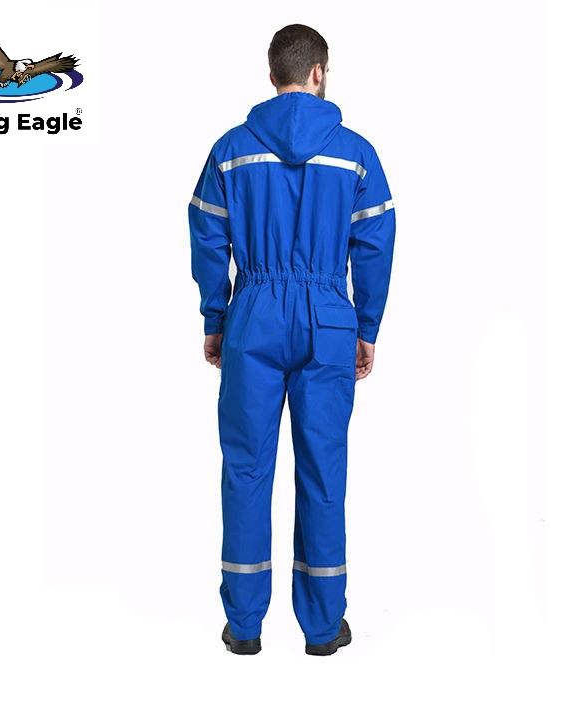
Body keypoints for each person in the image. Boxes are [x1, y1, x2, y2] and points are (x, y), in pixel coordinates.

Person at [189, 23, 396, 656]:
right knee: (323, 470)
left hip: (253, 314)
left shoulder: (230, 150)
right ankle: (324, 627)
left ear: (273, 74)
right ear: (318, 72)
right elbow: (375, 244)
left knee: (246, 469)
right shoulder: (355, 153)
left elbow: (207, 236)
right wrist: (366, 327)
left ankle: (244, 626)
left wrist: (216, 318)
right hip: (329, 319)